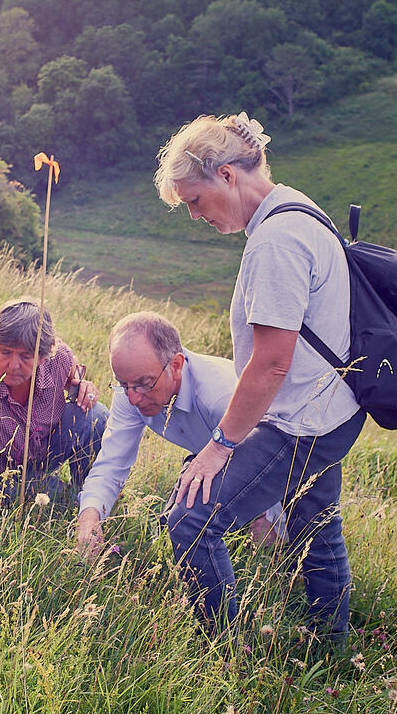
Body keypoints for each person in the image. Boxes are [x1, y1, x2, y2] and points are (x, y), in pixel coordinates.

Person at [151, 112, 366, 640]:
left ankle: (225, 656)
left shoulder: (276, 240)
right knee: (316, 530)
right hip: (333, 409)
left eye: (195, 200)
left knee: (190, 520)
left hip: (299, 421)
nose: (196, 216)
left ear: (227, 175)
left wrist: (220, 444)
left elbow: (272, 362)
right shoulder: (298, 207)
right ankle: (328, 652)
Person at [75, 312, 285, 555]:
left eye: (144, 384)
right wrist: (89, 518)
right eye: (123, 385)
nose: (132, 398)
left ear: (176, 365)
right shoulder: (131, 391)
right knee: (173, 533)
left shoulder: (219, 396)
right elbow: (111, 463)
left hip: (281, 453)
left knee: (268, 544)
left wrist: (270, 516)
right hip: (207, 456)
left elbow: (274, 455)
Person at [0, 297, 109, 498]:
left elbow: (71, 365)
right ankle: (58, 495)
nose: (13, 365)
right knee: (55, 499)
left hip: (41, 454)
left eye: (26, 356)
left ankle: (92, 498)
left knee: (96, 415)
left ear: (43, 357)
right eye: (5, 352)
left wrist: (84, 387)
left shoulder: (58, 358)